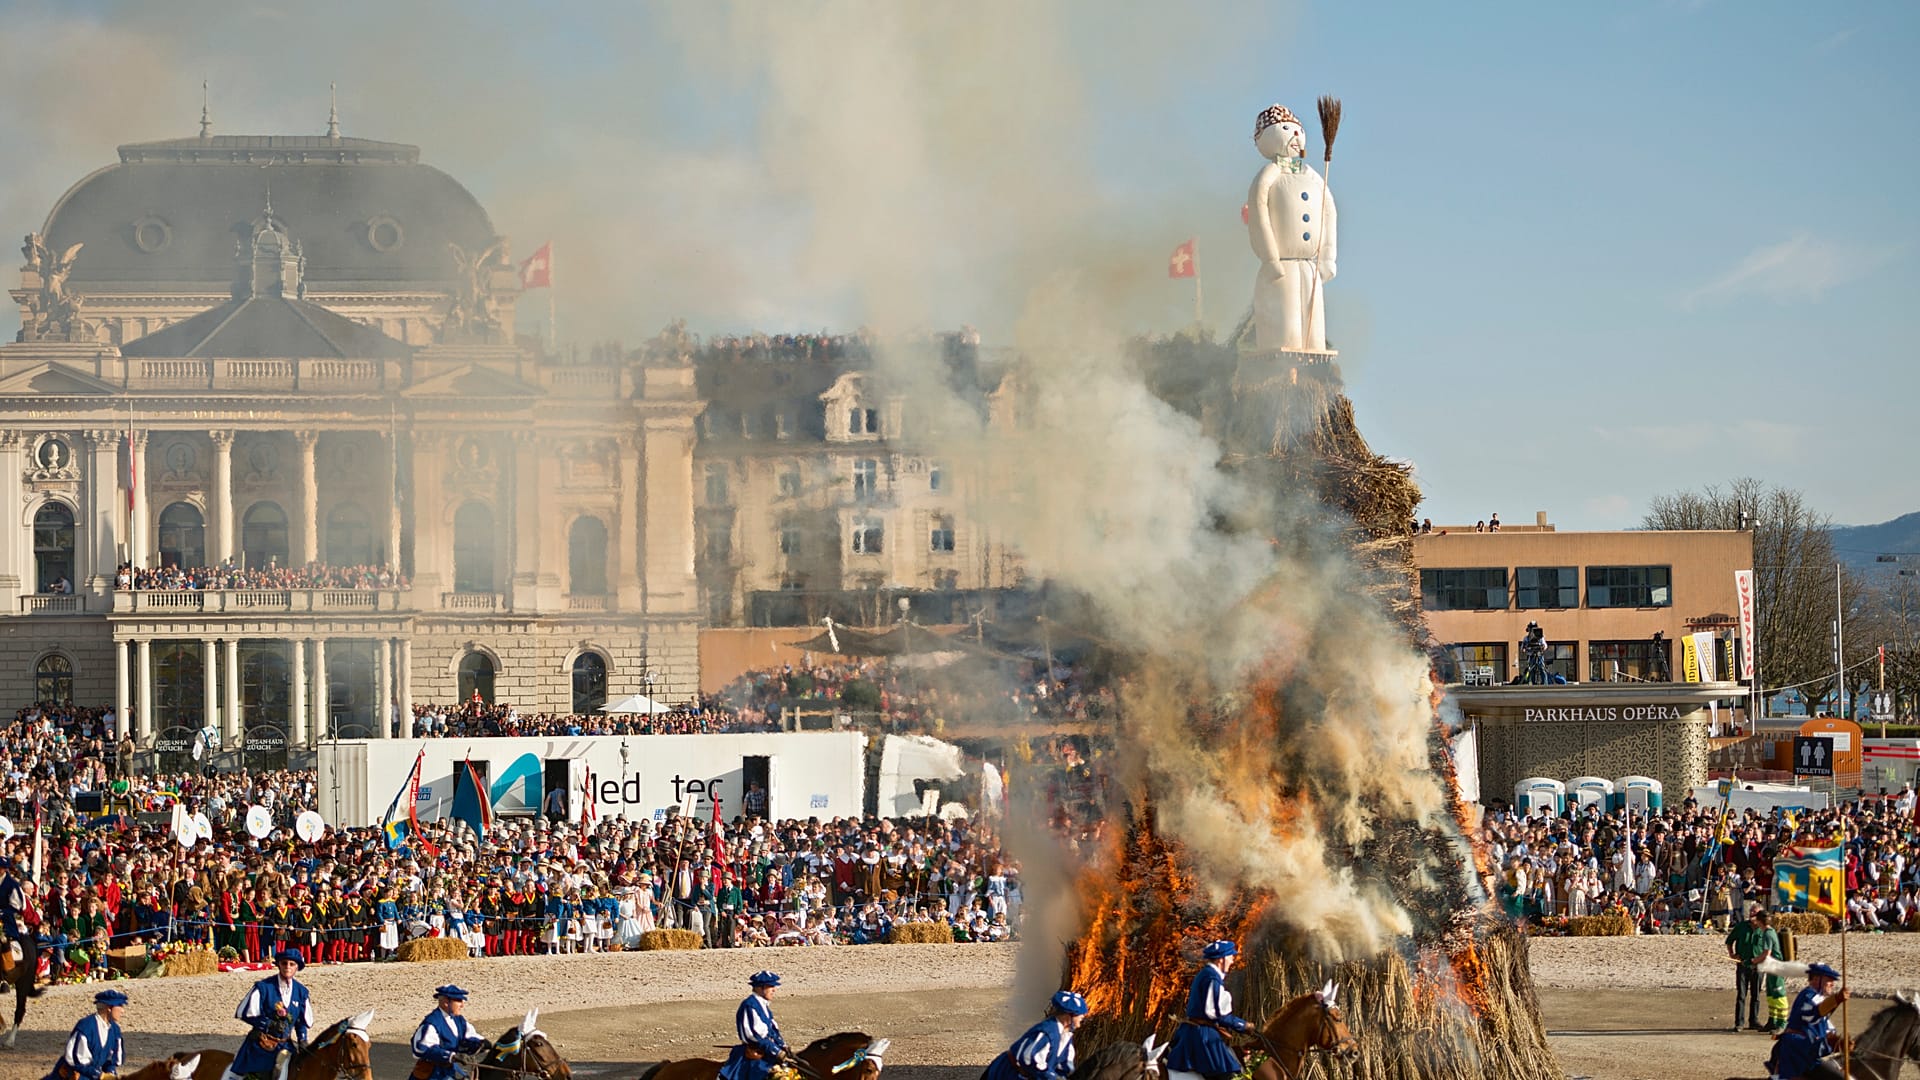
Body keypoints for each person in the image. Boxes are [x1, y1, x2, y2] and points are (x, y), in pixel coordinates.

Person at [1165, 941, 1249, 1080]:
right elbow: (1215, 1013)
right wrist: (1242, 1025)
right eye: (1230, 956)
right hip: (1202, 1035)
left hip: (1196, 1031)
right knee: (1225, 1074)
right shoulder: (1211, 977)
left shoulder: (1207, 974)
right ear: (1221, 959)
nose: (1233, 960)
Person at [225, 948, 312, 1080]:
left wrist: (303, 1040)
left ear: (297, 967)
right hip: (261, 1044)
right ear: (279, 965)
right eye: (284, 963)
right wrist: (268, 1024)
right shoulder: (264, 987)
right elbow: (244, 1012)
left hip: (285, 1045)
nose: (288, 967)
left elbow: (301, 1021)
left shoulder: (301, 992)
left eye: (292, 964)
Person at [1768, 962, 1849, 1080]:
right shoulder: (1808, 996)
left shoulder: (1818, 999)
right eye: (1829, 980)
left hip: (1808, 1054)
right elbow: (1815, 1012)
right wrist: (1836, 999)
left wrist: (1838, 1044)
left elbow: (1823, 1025)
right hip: (1796, 1054)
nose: (1832, 984)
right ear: (1816, 979)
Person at [983, 991, 1087, 1080]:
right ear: (1068, 1016)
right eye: (1079, 1016)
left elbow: (1064, 1062)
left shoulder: (1065, 1034)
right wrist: (1052, 1077)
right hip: (1010, 1073)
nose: (1082, 1018)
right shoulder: (1047, 1031)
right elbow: (1030, 1059)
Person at [411, 985, 489, 1080]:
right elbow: (421, 1049)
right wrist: (451, 1056)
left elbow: (468, 1037)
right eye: (459, 1001)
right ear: (446, 1003)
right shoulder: (432, 1023)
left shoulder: (459, 1020)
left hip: (448, 1072)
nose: (462, 1005)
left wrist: (480, 1043)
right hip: (432, 1075)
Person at [46, 989, 126, 1080]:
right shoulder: (85, 1027)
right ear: (109, 1008)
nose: (123, 1011)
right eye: (120, 1005)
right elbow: (77, 1062)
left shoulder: (115, 1030)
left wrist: (110, 1073)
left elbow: (111, 1061)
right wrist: (101, 1076)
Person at [719, 972, 787, 1080]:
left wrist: (783, 1045)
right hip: (755, 1053)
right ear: (760, 988)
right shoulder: (749, 1005)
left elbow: (772, 1031)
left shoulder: (764, 1006)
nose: (774, 990)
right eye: (771, 986)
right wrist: (775, 1050)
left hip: (767, 1051)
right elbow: (755, 1035)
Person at [1724, 906, 1776, 1032]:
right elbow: (1729, 941)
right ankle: (1739, 1023)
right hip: (1743, 965)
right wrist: (1732, 954)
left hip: (1759, 966)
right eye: (1751, 911)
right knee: (1741, 994)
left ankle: (1754, 1021)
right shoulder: (1741, 926)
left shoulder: (1766, 930)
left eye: (1755, 912)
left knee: (1756, 995)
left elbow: (1770, 949)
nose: (1752, 913)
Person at [0, 858, 43, 998]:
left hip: (6, 920)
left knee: (3, 939)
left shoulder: (12, 885)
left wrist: (4, 911)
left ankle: (5, 977)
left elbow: (18, 906)